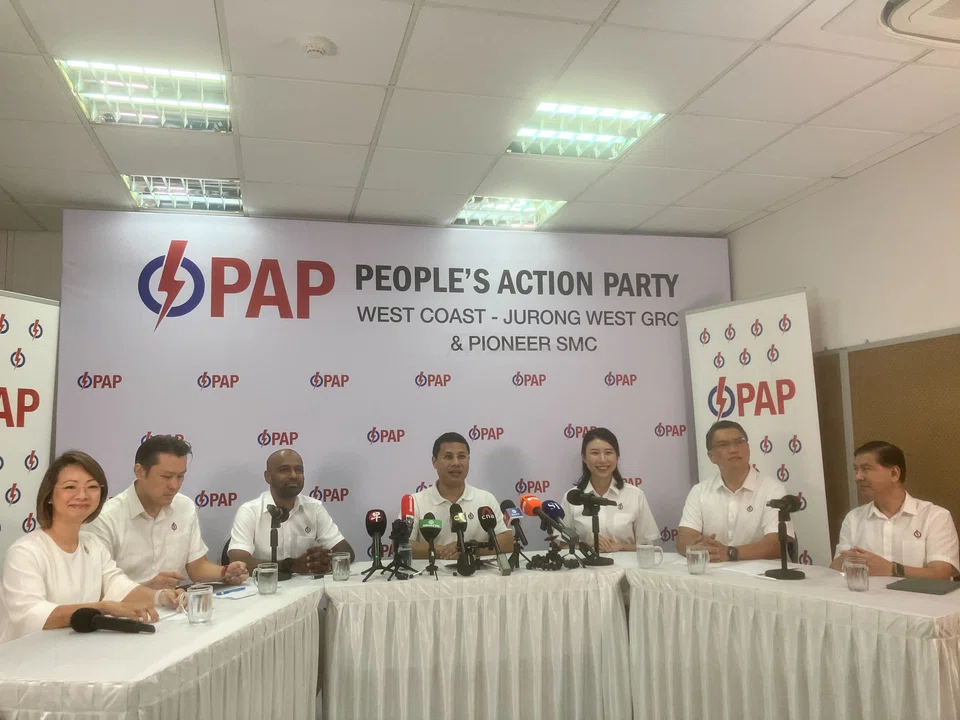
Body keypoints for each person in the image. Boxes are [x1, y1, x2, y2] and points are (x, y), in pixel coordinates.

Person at [0, 451, 181, 643]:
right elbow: (31, 615)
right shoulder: (25, 552)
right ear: (49, 495)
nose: (82, 495)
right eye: (70, 487)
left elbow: (119, 586)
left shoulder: (92, 543)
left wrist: (161, 597)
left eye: (92, 487)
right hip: (27, 661)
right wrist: (102, 608)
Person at [87, 435, 248, 589]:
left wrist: (225, 572)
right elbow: (96, 590)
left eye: (180, 476)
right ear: (140, 471)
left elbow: (197, 567)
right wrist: (146, 590)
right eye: (166, 476)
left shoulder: (184, 506)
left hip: (176, 607)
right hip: (125, 612)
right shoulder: (104, 519)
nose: (174, 485)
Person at [831, 441, 959, 579]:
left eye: (865, 469)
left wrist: (891, 569)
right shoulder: (854, 518)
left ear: (894, 473)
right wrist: (845, 561)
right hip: (865, 599)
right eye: (856, 469)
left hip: (918, 599)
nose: (858, 477)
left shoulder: (935, 516)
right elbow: (835, 567)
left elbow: (941, 575)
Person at [676, 420, 790, 562]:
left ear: (748, 448)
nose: (733, 449)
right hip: (714, 574)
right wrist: (703, 547)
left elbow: (777, 544)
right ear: (711, 457)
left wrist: (730, 553)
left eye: (738, 442)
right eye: (724, 445)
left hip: (760, 577)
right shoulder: (699, 491)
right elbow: (683, 539)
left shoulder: (773, 490)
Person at [228, 449, 354, 576]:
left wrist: (325, 562)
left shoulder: (314, 508)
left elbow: (346, 552)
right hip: (263, 589)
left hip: (306, 590)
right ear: (268, 477)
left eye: (299, 470)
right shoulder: (250, 511)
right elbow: (238, 561)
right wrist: (290, 566)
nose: (293, 475)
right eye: (284, 470)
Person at [406, 432, 513, 560]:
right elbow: (403, 545)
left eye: (461, 456)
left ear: (468, 460)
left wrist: (469, 549)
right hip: (432, 577)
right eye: (448, 457)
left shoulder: (485, 499)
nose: (456, 463)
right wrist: (442, 551)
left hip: (479, 577)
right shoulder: (415, 502)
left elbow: (507, 541)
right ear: (434, 461)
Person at [559, 427, 659, 552]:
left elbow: (649, 546)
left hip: (627, 569)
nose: (602, 459)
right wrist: (588, 547)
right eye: (595, 453)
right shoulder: (572, 497)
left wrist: (621, 546)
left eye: (608, 453)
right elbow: (562, 545)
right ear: (584, 458)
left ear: (617, 457)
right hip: (586, 569)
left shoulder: (635, 495)